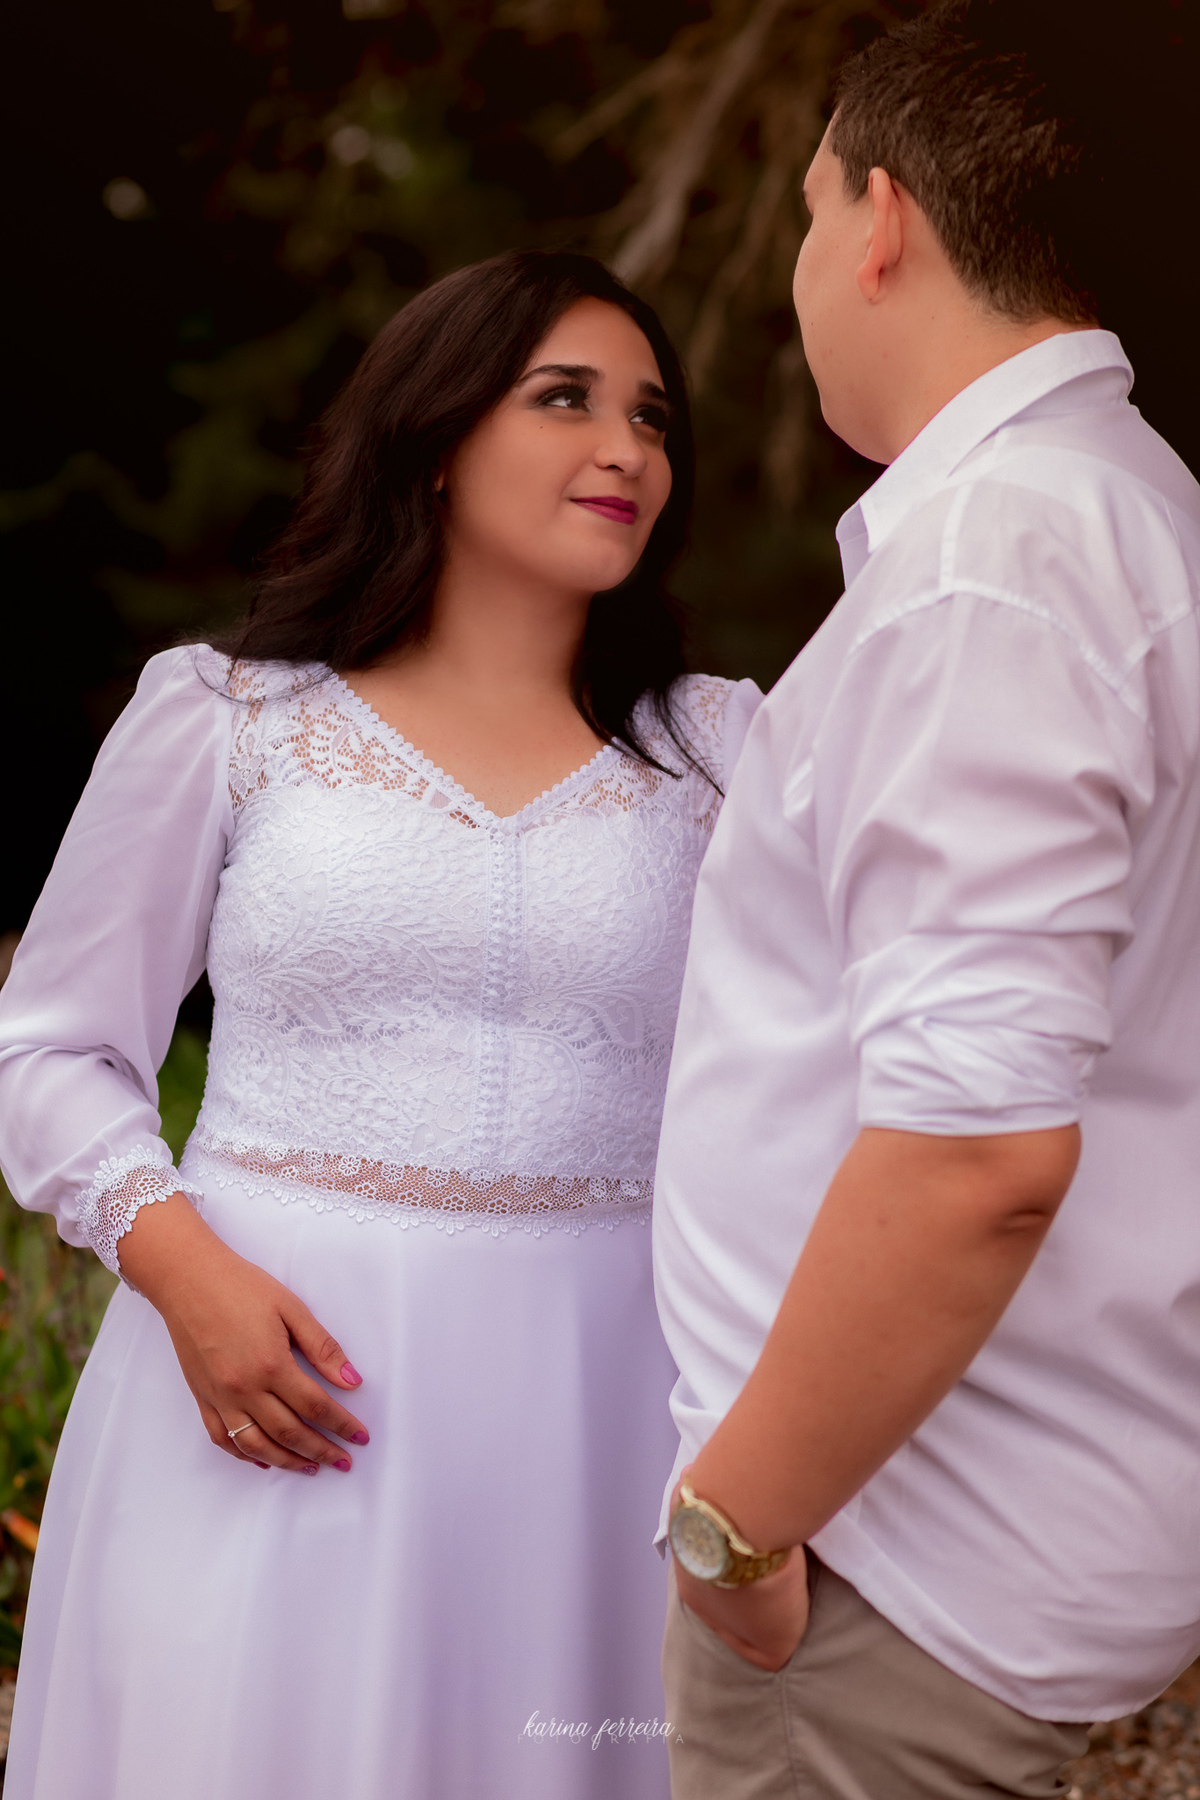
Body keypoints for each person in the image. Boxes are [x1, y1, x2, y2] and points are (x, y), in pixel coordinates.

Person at [0, 249, 760, 1800]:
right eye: (566, 399)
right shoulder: (229, 716)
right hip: (266, 1396)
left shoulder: (723, 753)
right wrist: (185, 1272)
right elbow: (51, 1046)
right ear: (434, 436)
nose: (627, 448)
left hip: (602, 1412)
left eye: (654, 418)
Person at [651, 4, 1200, 1797]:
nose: (802, 266)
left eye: (809, 212)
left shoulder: (999, 560)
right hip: (955, 1523)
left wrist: (737, 1523)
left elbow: (978, 1154)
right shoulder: (1128, 511)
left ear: (880, 217)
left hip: (882, 1569)